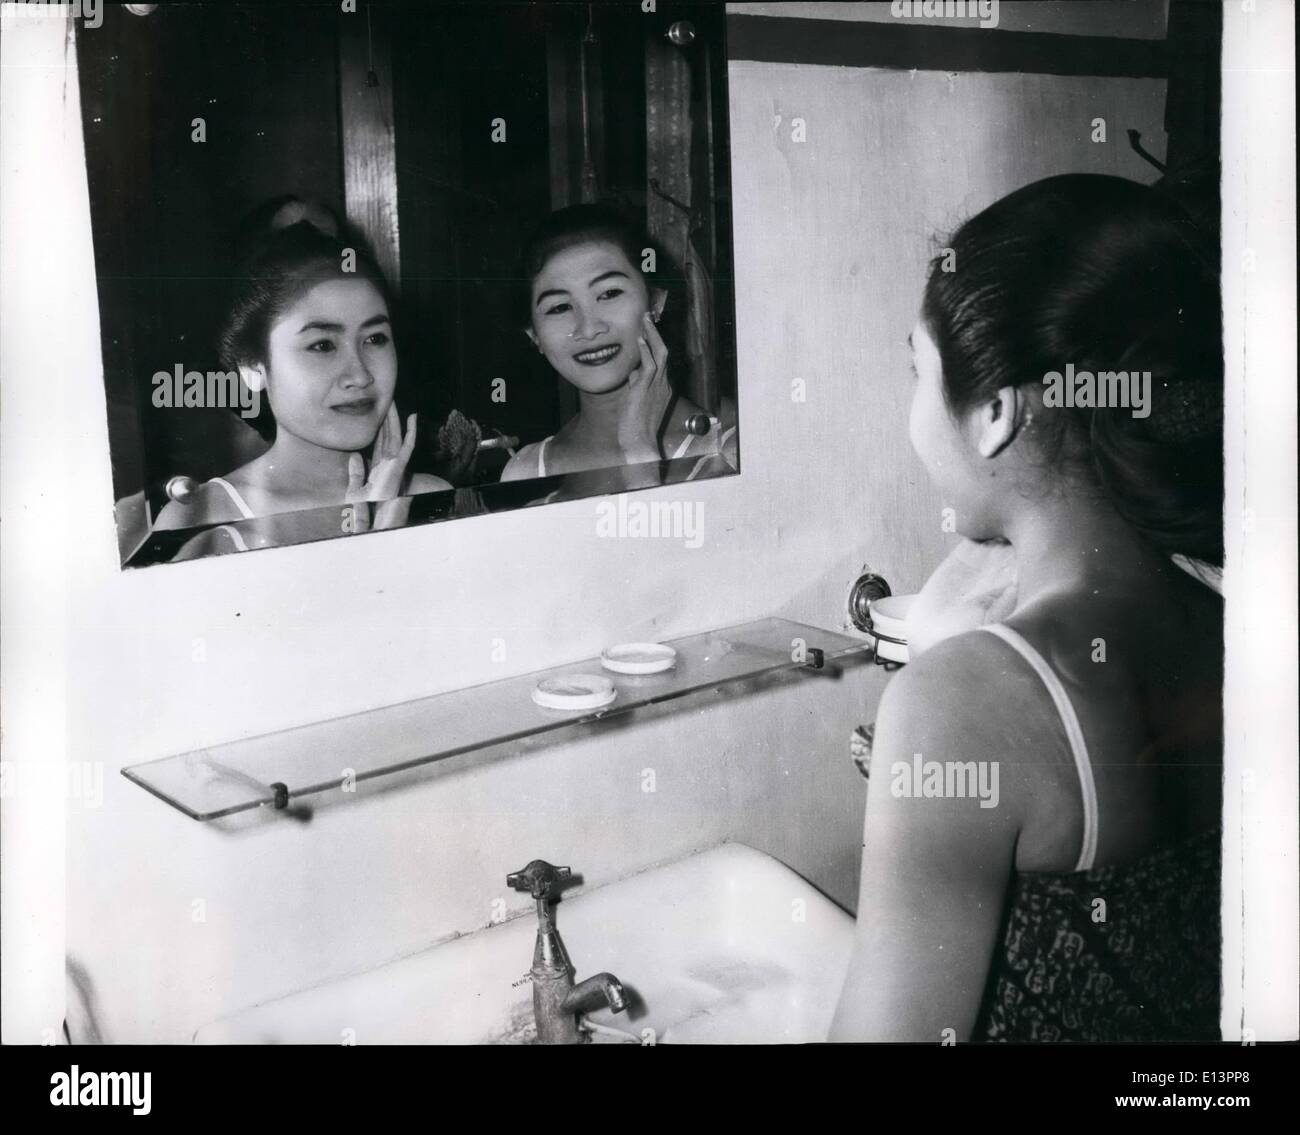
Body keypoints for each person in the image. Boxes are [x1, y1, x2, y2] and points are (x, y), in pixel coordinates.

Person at [831, 174, 1224, 1042]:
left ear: (997, 412)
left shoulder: (962, 705)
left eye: (916, 370)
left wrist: (950, 685)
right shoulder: (1232, 622)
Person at [155, 216, 449, 542]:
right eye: (322, 345)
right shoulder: (199, 516)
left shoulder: (431, 496)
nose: (360, 374)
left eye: (376, 338)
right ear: (253, 368)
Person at [500, 204, 737, 482]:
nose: (588, 329)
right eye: (559, 307)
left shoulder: (730, 451)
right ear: (534, 335)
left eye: (610, 293)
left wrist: (640, 450)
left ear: (656, 302)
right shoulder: (524, 471)